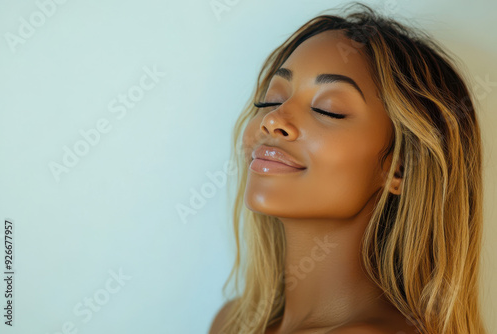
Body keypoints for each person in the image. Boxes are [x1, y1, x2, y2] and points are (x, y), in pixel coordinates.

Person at [209, 2, 487, 333]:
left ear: (399, 168)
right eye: (271, 99)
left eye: (328, 110)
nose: (272, 120)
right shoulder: (232, 322)